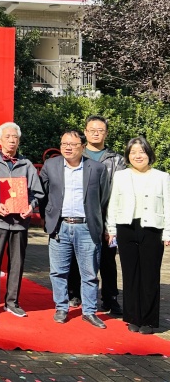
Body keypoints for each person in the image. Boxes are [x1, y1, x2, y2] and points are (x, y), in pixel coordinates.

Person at [39, 129, 108, 328]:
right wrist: (48, 218)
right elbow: (43, 195)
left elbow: (103, 198)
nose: (67, 148)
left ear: (82, 147)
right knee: (58, 272)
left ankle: (89, 311)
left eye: (73, 144)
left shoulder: (97, 168)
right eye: (64, 144)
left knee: (89, 274)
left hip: (86, 227)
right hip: (60, 226)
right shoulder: (51, 165)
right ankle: (61, 307)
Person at [105, 137, 170, 334]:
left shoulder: (162, 177)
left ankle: (148, 321)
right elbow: (113, 203)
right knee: (130, 274)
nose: (137, 156)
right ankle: (133, 317)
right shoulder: (121, 176)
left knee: (150, 275)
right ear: (128, 156)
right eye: (133, 152)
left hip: (152, 228)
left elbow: (168, 205)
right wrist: (111, 229)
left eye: (141, 151)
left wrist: (167, 232)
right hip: (126, 227)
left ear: (149, 154)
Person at [0, 122, 44, 317]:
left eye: (15, 137)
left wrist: (30, 206)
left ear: (19, 140)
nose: (11, 140)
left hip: (19, 223)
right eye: (7, 137)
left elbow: (37, 192)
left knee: (17, 263)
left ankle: (12, 302)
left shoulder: (27, 164)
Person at [66, 116, 126, 314]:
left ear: (106, 133)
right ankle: (75, 293)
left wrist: (112, 222)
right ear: (85, 131)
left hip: (106, 216)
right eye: (92, 130)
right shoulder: (77, 154)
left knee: (108, 260)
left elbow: (119, 191)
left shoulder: (116, 160)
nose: (96, 133)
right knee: (76, 257)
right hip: (80, 215)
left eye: (100, 130)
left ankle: (110, 298)